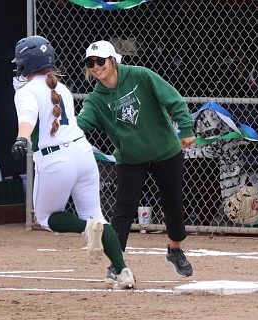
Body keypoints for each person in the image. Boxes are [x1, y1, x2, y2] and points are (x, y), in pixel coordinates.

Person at [11, 35, 135, 289]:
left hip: (56, 160)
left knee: (46, 218)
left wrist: (22, 138)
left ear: (26, 65)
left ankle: (89, 228)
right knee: (98, 216)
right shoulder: (61, 87)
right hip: (83, 153)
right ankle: (122, 272)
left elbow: (28, 117)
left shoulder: (26, 92)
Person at [77, 40, 195, 280]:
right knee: (123, 209)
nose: (96, 66)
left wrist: (186, 127)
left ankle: (175, 250)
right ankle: (117, 264)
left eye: (101, 61)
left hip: (165, 149)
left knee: (172, 203)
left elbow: (172, 99)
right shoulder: (95, 99)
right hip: (130, 157)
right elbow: (81, 125)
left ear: (113, 60)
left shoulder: (140, 75)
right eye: (91, 63)